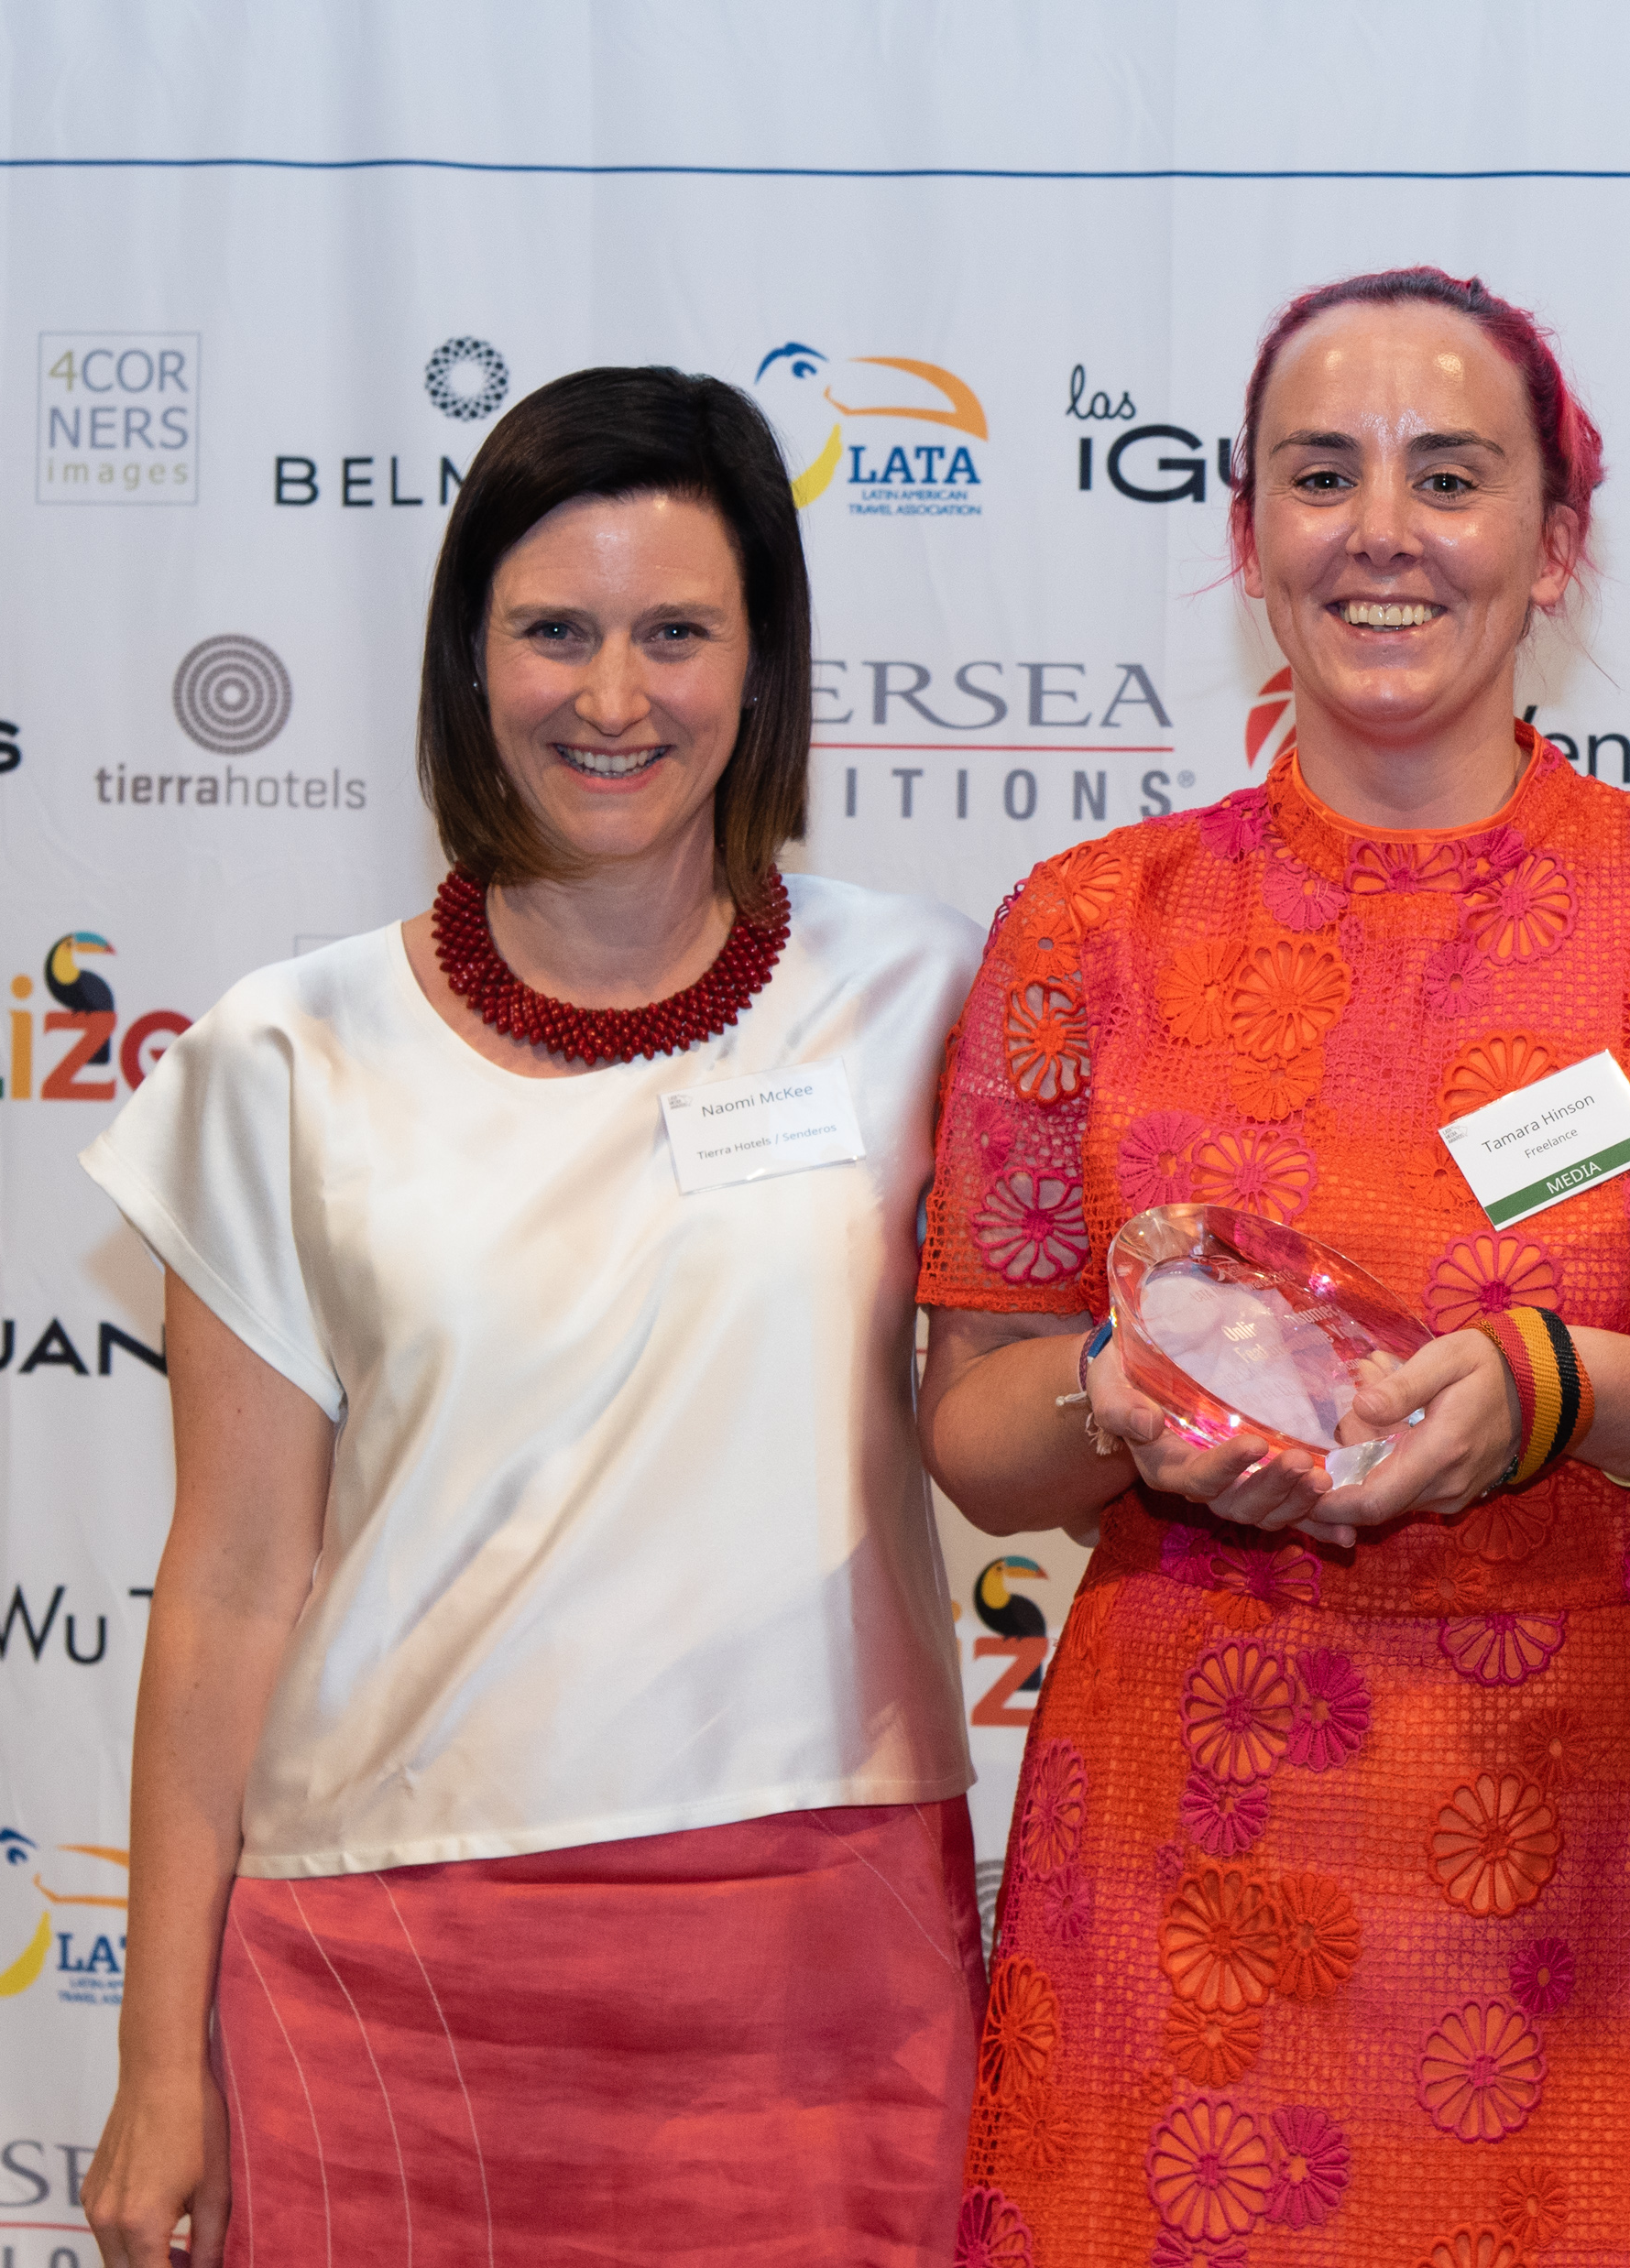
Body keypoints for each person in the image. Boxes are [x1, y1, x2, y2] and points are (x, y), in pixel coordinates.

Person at [915, 267, 1630, 2268]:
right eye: (1323, 475)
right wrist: (1118, 1402)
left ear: (1556, 542)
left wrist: (1575, 1393)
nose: (1382, 530)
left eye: (1450, 477)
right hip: (1187, 1906)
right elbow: (977, 1429)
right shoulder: (1089, 929)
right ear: (1249, 537)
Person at [75, 368, 985, 2266]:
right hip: (384, 1964)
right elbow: (231, 1582)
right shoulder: (283, 1055)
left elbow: (1025, 1392)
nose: (613, 696)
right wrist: (161, 2062)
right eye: (555, 631)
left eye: (677, 634)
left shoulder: (924, 997)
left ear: (764, 663)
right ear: (465, 660)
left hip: (816, 1954)